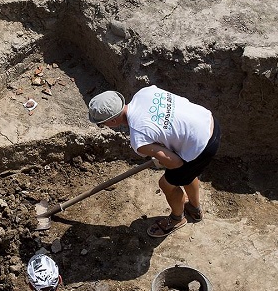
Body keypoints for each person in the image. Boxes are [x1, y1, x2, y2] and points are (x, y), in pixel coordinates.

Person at [88, 86, 220, 238]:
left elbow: (176, 163)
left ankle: (177, 219)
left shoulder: (139, 139)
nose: (104, 126)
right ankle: (194, 209)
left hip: (202, 147)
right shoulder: (144, 92)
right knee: (188, 173)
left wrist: (163, 160)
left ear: (113, 120)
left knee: (166, 184)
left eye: (102, 123)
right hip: (209, 122)